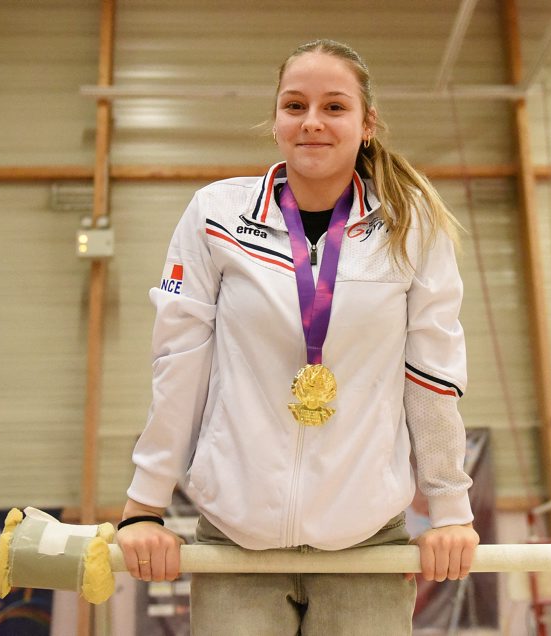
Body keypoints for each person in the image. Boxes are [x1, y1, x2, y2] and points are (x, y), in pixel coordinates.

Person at [116, 38, 480, 635]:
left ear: (367, 124)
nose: (312, 121)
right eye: (295, 105)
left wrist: (450, 510)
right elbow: (180, 362)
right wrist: (144, 506)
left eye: (334, 106)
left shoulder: (411, 222)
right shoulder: (216, 214)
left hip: (365, 540)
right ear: (276, 119)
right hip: (236, 537)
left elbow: (432, 372)